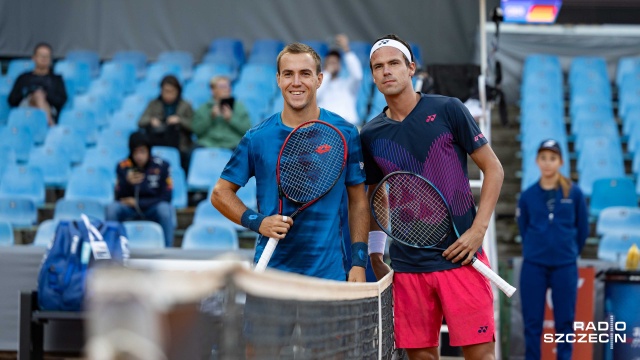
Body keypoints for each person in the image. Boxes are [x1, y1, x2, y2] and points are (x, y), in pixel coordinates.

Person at [361, 34, 504, 360]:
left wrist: (477, 231)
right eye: (378, 67)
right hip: (408, 267)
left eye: (394, 63)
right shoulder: (370, 135)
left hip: (463, 258)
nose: (387, 71)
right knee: (422, 356)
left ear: (411, 68)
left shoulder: (448, 109)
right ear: (372, 75)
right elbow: (375, 195)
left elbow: (494, 170)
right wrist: (374, 254)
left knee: (481, 354)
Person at [210, 42, 369, 282]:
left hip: (328, 277)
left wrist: (358, 262)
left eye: (305, 74)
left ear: (319, 79)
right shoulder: (257, 137)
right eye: (288, 74)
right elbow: (220, 193)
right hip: (271, 277)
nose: (296, 82)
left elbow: (358, 201)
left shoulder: (345, 133)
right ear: (278, 80)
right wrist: (258, 222)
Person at [516, 139, 588, 360]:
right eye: (544, 158)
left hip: (564, 266)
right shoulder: (527, 196)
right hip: (533, 266)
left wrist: (568, 252)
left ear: (561, 162)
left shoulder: (574, 194)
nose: (548, 163)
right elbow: (524, 228)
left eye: (553, 158)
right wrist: (537, 249)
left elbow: (583, 229)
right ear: (537, 161)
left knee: (565, 322)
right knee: (532, 323)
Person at [106, 132, 175, 247]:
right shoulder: (123, 166)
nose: (139, 156)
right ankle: (111, 249)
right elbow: (118, 197)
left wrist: (138, 203)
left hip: (152, 207)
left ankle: (168, 250)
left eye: (142, 151)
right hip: (130, 209)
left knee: (165, 210)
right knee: (112, 209)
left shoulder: (162, 166)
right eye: (135, 152)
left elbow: (166, 197)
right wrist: (126, 183)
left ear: (149, 151)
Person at [138, 75, 194, 173]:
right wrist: (151, 120)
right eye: (165, 91)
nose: (168, 94)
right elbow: (141, 122)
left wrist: (180, 120)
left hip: (180, 144)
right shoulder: (154, 104)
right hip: (156, 140)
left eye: (171, 91)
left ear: (178, 91)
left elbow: (195, 126)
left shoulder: (185, 105)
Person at [8, 42, 67, 125]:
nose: (44, 58)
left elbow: (61, 101)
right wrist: (28, 92)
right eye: (41, 55)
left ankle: (47, 122)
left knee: (39, 95)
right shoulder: (23, 77)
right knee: (37, 95)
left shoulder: (56, 79)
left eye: (47, 56)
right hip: (25, 110)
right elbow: (12, 100)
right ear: (34, 57)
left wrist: (46, 94)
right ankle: (51, 125)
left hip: (49, 108)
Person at [192, 76, 251, 150]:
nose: (227, 89)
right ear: (213, 90)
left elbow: (247, 130)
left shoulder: (239, 107)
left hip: (232, 144)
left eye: (228, 86)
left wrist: (231, 119)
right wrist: (210, 117)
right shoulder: (204, 108)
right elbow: (197, 131)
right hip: (208, 144)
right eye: (222, 86)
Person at [316, 34, 363, 126]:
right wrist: (327, 73)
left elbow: (357, 75)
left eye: (335, 62)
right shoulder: (318, 85)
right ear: (324, 66)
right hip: (326, 127)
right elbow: (315, 96)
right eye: (330, 62)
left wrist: (346, 49)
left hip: (348, 125)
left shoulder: (347, 84)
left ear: (340, 66)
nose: (332, 65)